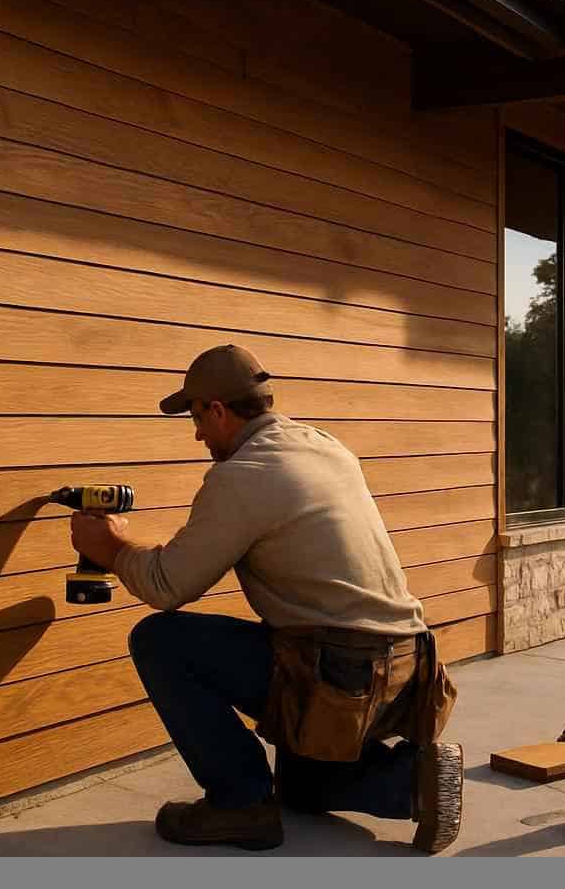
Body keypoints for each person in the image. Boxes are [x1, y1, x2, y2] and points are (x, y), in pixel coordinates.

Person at [69, 344, 463, 853]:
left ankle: (238, 805)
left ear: (217, 409)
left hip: (340, 672)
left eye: (196, 417)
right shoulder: (324, 445)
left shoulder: (244, 475)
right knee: (299, 788)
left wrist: (110, 547)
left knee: (161, 640)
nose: (196, 434)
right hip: (405, 667)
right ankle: (413, 780)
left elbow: (167, 586)